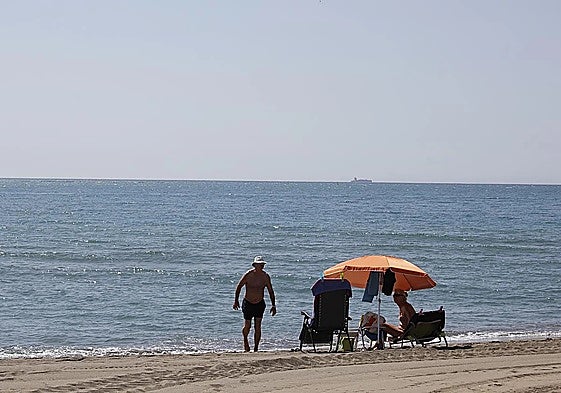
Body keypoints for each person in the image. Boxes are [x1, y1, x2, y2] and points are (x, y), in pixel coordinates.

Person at [233, 256, 276, 352]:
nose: (260, 266)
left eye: (262, 265)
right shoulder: (248, 275)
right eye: (259, 265)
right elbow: (239, 286)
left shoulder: (265, 277)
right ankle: (245, 340)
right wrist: (236, 300)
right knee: (247, 325)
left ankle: (256, 347)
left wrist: (273, 305)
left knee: (258, 326)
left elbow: (271, 291)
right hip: (248, 303)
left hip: (259, 303)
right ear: (254, 265)